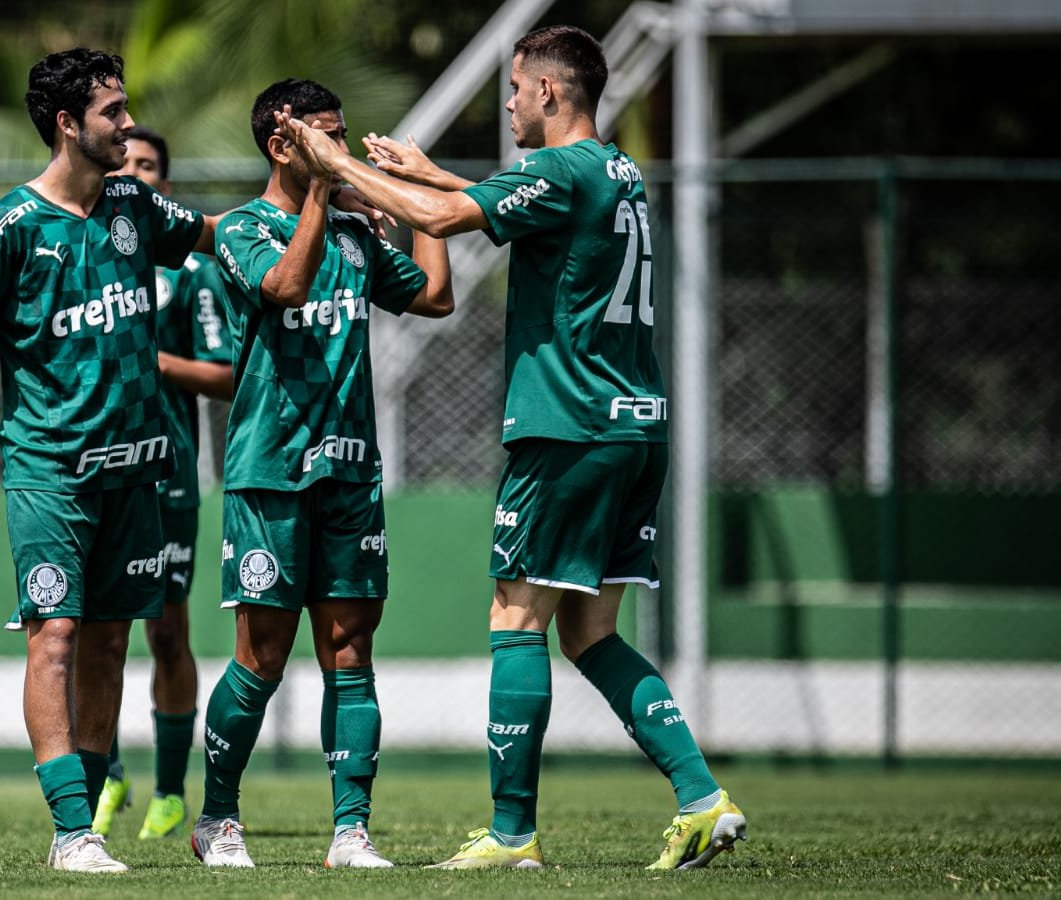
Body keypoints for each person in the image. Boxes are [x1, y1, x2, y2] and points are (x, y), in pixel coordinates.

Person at [280, 25, 748, 870]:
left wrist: (335, 162)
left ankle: (510, 833)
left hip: (568, 427)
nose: (508, 104)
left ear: (550, 92)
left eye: (516, 87)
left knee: (515, 618)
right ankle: (702, 797)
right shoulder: (616, 171)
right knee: (590, 633)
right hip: (634, 427)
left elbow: (446, 220)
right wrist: (427, 174)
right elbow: (500, 206)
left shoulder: (560, 170)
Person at [0, 48, 218, 874]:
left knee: (109, 645)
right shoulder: (11, 225)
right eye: (113, 112)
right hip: (50, 470)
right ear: (66, 124)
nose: (129, 124)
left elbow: (212, 234)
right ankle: (71, 831)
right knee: (54, 635)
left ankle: (84, 827)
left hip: (138, 470)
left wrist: (311, 202)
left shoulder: (132, 202)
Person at [188, 78, 455, 870]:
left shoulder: (355, 235)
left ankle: (351, 831)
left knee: (351, 650)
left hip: (349, 474)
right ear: (283, 145)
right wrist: (325, 190)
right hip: (270, 475)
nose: (341, 146)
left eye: (342, 134)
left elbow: (436, 296)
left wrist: (422, 200)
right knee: (262, 657)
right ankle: (217, 818)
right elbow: (285, 287)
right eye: (326, 136)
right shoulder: (242, 229)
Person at [91, 125, 235, 841]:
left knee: (167, 632)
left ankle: (172, 792)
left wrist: (154, 360)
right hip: (94, 466)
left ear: (166, 188)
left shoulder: (193, 272)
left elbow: (227, 373)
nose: (134, 174)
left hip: (170, 473)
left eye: (147, 166)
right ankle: (106, 773)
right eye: (125, 163)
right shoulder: (86, 252)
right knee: (92, 631)